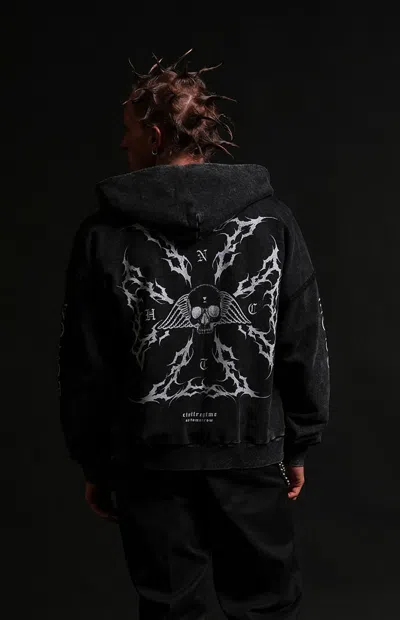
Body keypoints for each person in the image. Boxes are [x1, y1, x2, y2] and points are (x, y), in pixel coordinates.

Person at [57, 49, 330, 620]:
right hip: (250, 450)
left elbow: (86, 361)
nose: (123, 143)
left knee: (172, 609)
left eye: (130, 131)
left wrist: (93, 461)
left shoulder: (104, 233)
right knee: (266, 606)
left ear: (156, 136)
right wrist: (298, 441)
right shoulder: (273, 222)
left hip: (148, 459)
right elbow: (302, 338)